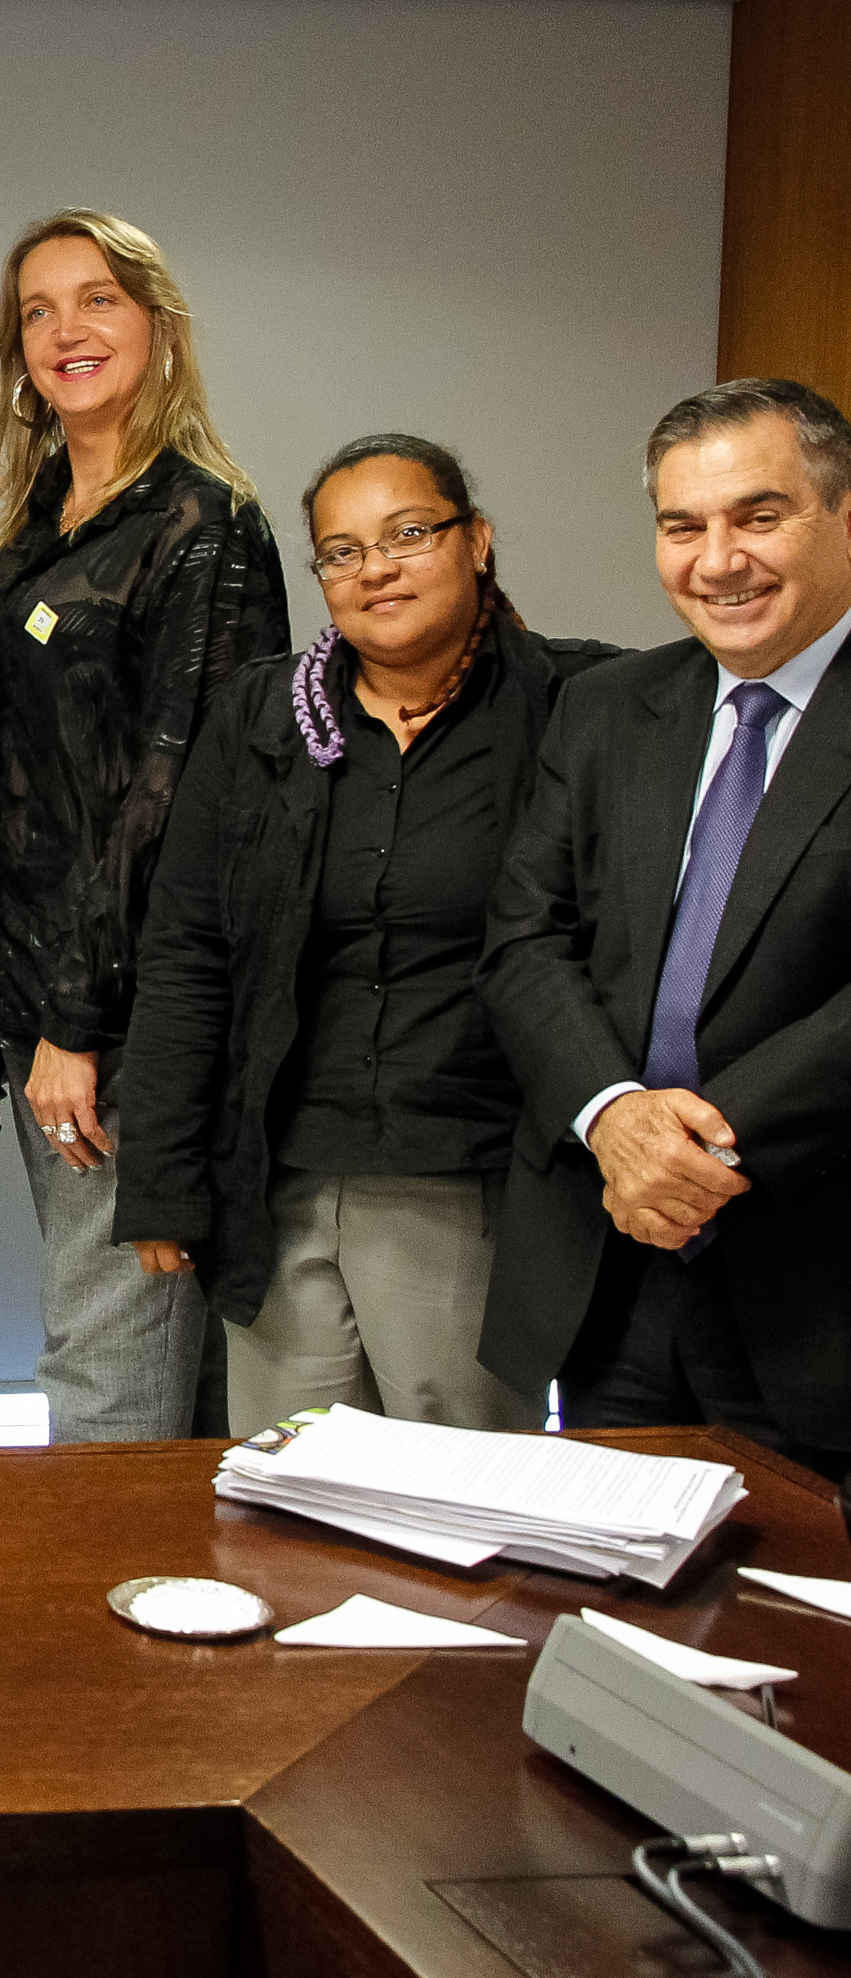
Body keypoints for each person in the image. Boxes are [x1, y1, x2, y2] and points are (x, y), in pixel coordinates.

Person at [122, 438, 606, 1436]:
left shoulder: (578, 706)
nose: (374, 569)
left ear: (476, 540)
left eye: (407, 534)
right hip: (278, 1178)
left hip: (470, 1180)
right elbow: (186, 950)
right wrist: (162, 1179)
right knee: (284, 1486)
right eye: (340, 552)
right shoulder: (262, 715)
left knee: (460, 1498)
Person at [481, 379, 851, 1473]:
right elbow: (524, 936)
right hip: (612, 1265)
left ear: (841, 513)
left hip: (817, 1284)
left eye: (758, 516)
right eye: (682, 526)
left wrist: (691, 1148)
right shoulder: (606, 707)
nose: (717, 560)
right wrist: (614, 1119)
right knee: (616, 1573)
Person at [0, 210, 289, 1444]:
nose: (65, 330)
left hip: (124, 1007)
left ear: (155, 323)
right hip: (33, 991)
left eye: (95, 298)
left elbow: (177, 789)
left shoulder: (201, 522)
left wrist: (78, 1019)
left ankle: (107, 1567)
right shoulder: (41, 520)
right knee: (147, 1345)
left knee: (105, 1358)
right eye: (36, 312)